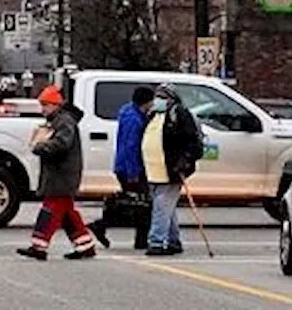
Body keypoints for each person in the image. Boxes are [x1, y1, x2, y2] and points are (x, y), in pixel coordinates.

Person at [16, 85, 96, 261]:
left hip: (62, 175)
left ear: (56, 105)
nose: (42, 109)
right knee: (67, 213)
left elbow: (62, 144)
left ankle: (39, 245)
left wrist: (40, 147)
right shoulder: (60, 120)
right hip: (62, 175)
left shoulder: (64, 121)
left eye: (45, 105)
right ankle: (85, 245)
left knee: (50, 210)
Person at [87, 86, 155, 250]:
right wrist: (133, 172)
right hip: (130, 167)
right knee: (142, 204)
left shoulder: (129, 113)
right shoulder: (134, 119)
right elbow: (131, 147)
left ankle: (109, 227)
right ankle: (106, 226)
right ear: (146, 102)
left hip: (124, 165)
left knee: (134, 202)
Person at [142, 82, 203, 256]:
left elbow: (191, 141)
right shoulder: (154, 115)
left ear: (172, 99)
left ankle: (156, 241)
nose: (159, 100)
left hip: (171, 170)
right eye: (158, 96)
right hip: (154, 170)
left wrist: (185, 160)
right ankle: (173, 240)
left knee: (162, 206)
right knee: (166, 206)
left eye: (163, 97)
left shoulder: (180, 114)